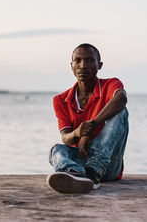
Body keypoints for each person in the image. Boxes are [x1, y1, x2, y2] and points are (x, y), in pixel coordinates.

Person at [46, 43, 129, 194]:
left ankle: (93, 173)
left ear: (100, 65)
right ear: (71, 66)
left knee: (121, 111)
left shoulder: (110, 84)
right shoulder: (60, 100)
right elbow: (66, 137)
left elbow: (121, 98)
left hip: (108, 163)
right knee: (56, 150)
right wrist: (78, 133)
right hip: (81, 161)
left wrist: (90, 128)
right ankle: (74, 174)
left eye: (90, 60)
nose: (83, 65)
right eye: (78, 61)